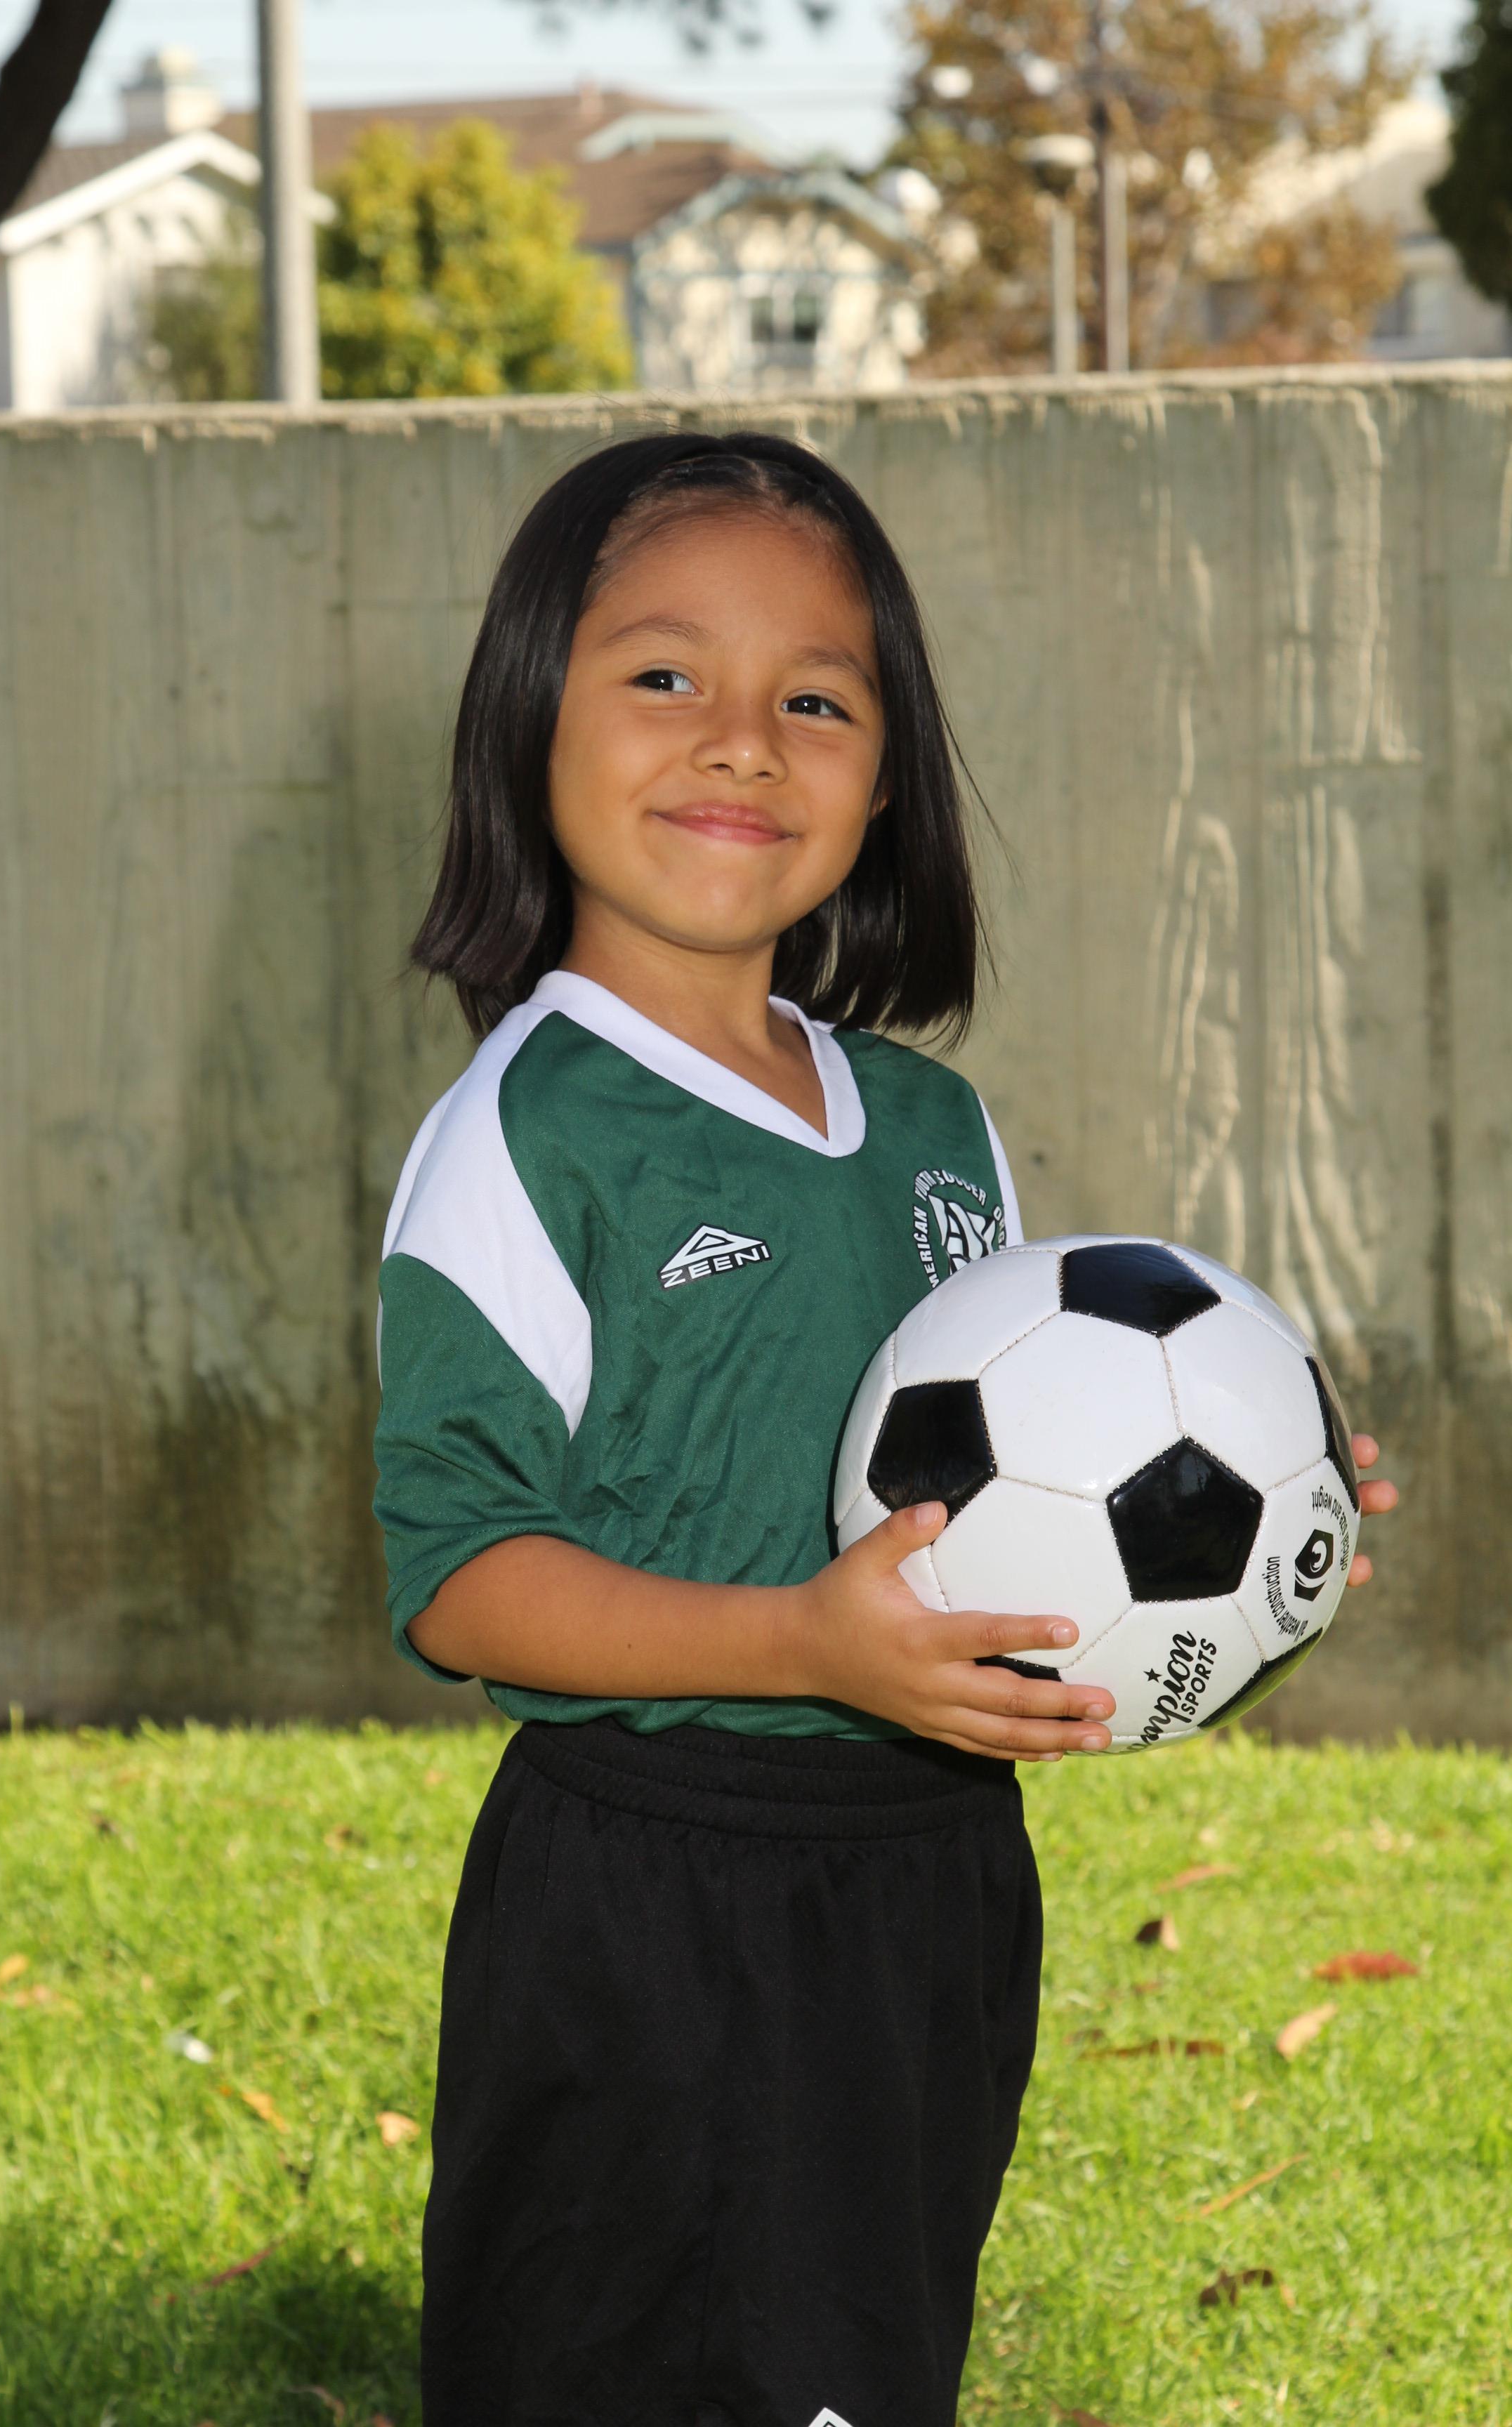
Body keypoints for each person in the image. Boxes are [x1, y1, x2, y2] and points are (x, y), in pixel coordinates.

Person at [373, 430, 1395, 2427]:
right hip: (660, 1892)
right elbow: (461, 1578)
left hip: (933, 1881)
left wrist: (1267, 1530)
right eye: (666, 674)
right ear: (528, 716)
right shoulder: (527, 1133)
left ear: (891, 772)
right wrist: (795, 1643)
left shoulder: (934, 1128)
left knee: (863, 2367)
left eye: (817, 701)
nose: (742, 742)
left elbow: (1028, 1514)